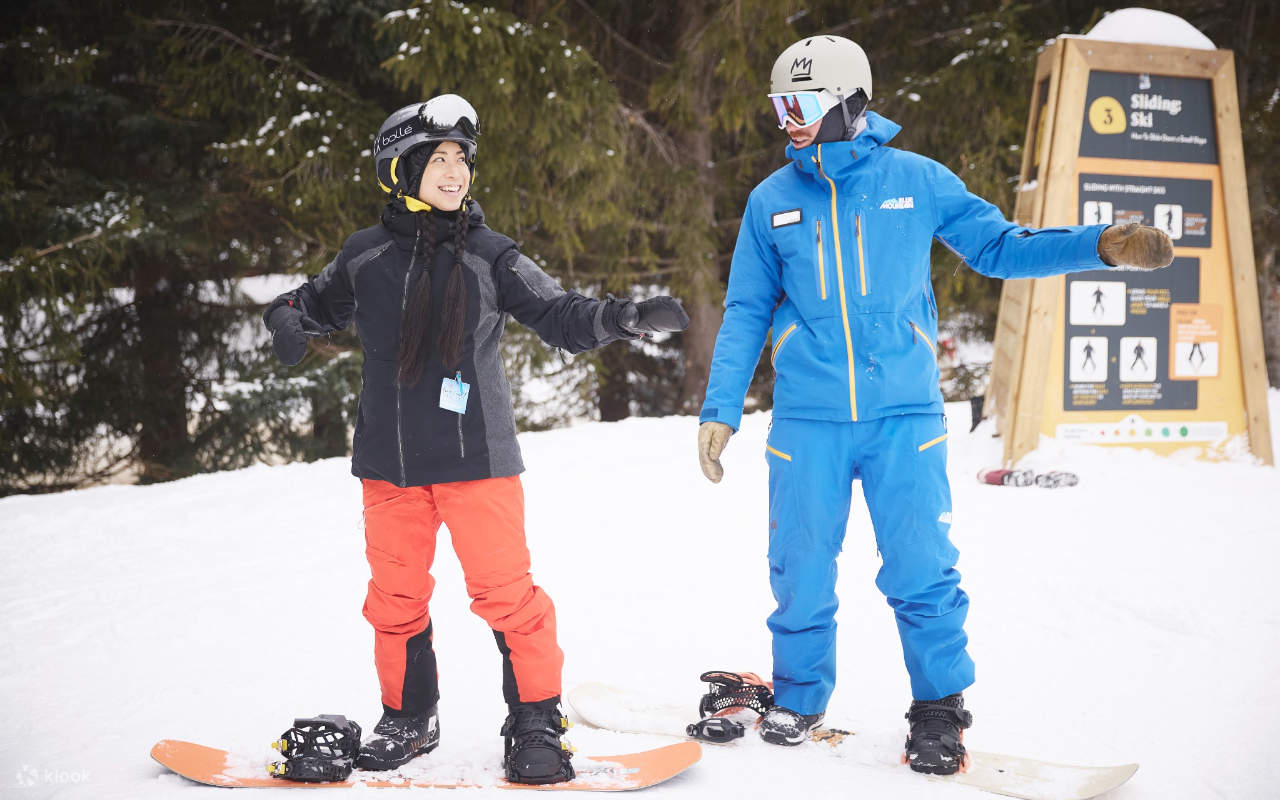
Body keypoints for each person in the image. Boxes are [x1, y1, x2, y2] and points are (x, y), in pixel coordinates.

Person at [695, 36, 1172, 775]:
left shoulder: (915, 180)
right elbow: (746, 309)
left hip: (905, 417)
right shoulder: (771, 201)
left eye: (801, 103)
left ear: (849, 102)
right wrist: (720, 408)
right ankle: (798, 695)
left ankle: (939, 708)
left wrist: (1099, 247)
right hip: (807, 420)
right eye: (779, 104)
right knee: (799, 567)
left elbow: (1000, 248)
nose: (787, 118)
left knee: (921, 568)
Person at [263, 95, 688, 785]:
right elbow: (308, 304)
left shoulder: (492, 256)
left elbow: (558, 313)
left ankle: (536, 721)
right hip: (390, 465)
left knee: (507, 596)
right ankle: (409, 717)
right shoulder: (365, 256)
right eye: (438, 158)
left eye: (461, 159)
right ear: (401, 169)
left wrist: (622, 317)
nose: (454, 171)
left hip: (476, 461)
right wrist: (286, 320)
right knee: (394, 600)